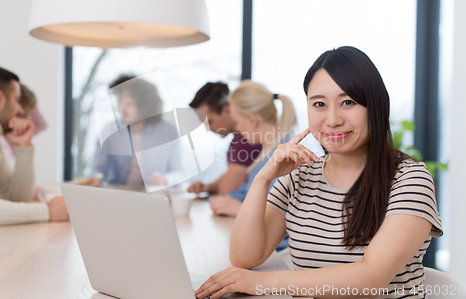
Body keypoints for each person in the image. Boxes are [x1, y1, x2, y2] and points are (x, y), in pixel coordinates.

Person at [194, 47, 442, 299]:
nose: (332, 119)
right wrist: (262, 178)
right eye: (319, 104)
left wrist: (264, 282)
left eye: (348, 102)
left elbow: (371, 279)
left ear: (375, 106)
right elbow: (244, 257)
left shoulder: (410, 179)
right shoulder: (299, 177)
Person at [0, 66, 68, 227]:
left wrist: (24, 147)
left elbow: (18, 198)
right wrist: (47, 211)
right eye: (16, 99)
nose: (20, 109)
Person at [208, 80, 297, 224]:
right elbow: (247, 192)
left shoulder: (286, 156)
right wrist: (228, 200)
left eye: (236, 122)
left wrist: (240, 209)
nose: (237, 130)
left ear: (252, 120)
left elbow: (286, 218)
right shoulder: (265, 155)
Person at [90, 75, 182, 187]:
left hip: (153, 197)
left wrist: (166, 179)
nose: (121, 109)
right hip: (117, 195)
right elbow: (98, 169)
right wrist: (95, 181)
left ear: (145, 106)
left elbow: (178, 172)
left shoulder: (169, 132)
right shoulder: (109, 130)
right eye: (121, 102)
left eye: (129, 104)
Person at [188, 82, 262, 196]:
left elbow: (227, 191)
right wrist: (208, 187)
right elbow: (231, 174)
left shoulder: (245, 138)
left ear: (227, 110)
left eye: (210, 121)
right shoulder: (239, 137)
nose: (208, 129)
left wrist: (219, 188)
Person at [0, 83, 48, 168]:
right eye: (28, 114)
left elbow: (42, 124)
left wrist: (31, 100)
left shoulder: (21, 133)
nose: (30, 118)